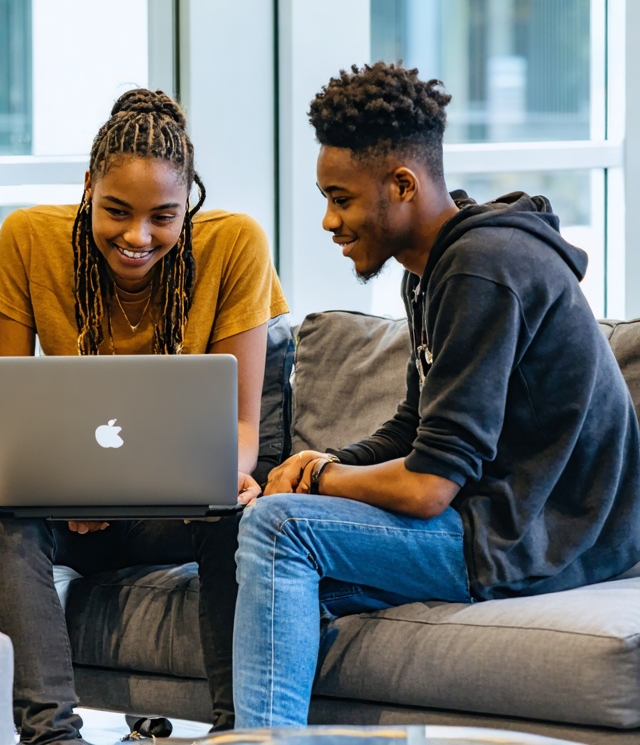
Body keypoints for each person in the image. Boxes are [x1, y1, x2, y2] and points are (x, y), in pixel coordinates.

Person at [232, 62, 640, 727]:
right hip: (501, 517)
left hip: (547, 534)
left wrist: (320, 479)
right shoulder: (430, 271)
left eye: (342, 198)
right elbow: (415, 427)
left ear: (401, 184)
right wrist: (312, 463)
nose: (331, 221)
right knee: (258, 553)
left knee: (280, 530)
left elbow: (428, 488)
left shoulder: (483, 269)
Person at [0, 88, 288, 744]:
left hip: (171, 516)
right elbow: (3, 413)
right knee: (5, 521)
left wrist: (145, 487)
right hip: (68, 511)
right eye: (116, 211)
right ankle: (50, 736)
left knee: (233, 514)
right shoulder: (29, 239)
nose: (137, 237)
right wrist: (56, 484)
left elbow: (242, 436)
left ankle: (237, 734)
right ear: (88, 186)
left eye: (163, 217)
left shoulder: (236, 246)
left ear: (188, 204)